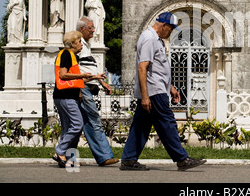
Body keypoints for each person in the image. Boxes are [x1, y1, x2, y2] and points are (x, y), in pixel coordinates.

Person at [120, 12, 206, 171]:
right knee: (167, 123)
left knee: (141, 126)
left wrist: (171, 87)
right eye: (171, 29)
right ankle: (182, 159)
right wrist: (145, 96)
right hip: (153, 91)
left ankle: (129, 159)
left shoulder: (156, 39)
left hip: (157, 89)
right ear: (164, 25)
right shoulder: (149, 38)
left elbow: (158, 68)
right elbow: (142, 67)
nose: (171, 32)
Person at [77, 16, 119, 166]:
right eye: (90, 27)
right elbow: (75, 69)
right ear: (81, 29)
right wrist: (79, 89)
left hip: (88, 86)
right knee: (94, 121)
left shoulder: (86, 45)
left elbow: (88, 68)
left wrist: (102, 82)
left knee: (81, 124)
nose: (94, 30)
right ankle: (105, 156)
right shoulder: (78, 45)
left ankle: (64, 155)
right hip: (83, 87)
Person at [52, 31, 93, 168]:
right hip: (66, 96)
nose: (81, 44)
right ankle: (60, 151)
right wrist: (82, 75)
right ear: (72, 44)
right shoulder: (66, 54)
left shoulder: (71, 56)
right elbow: (63, 75)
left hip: (63, 96)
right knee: (77, 125)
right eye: (79, 42)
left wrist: (95, 77)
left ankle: (66, 157)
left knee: (67, 128)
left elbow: (75, 77)